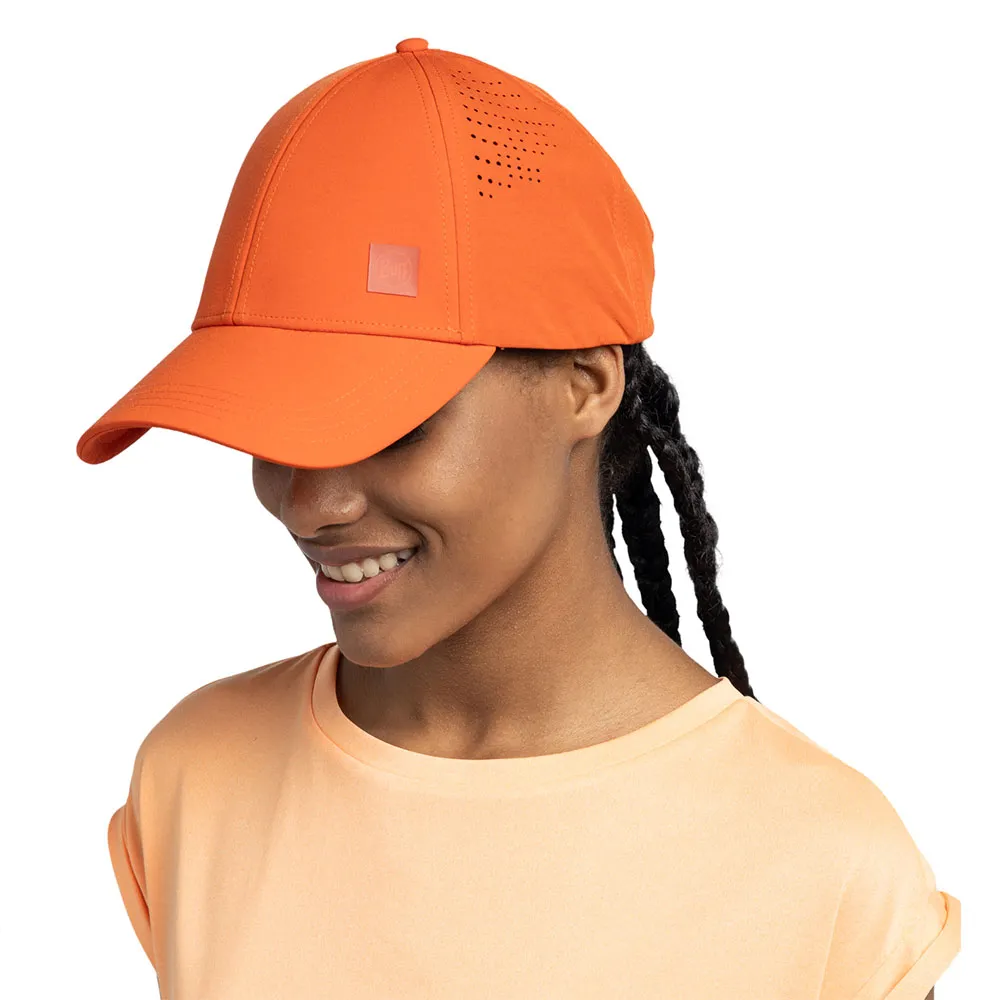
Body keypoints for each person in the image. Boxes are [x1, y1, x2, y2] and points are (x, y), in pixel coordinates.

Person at [76, 37, 959, 1000]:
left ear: (585, 385)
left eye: (393, 427)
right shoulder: (195, 780)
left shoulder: (826, 874)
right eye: (273, 423)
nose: (313, 504)